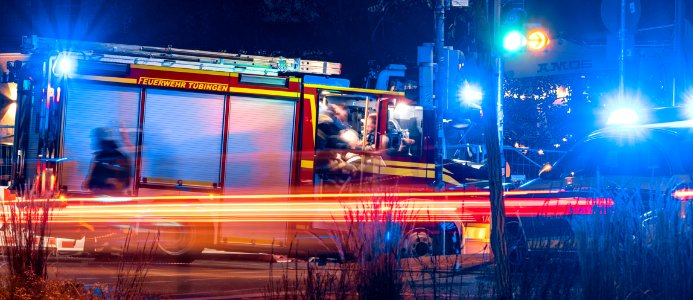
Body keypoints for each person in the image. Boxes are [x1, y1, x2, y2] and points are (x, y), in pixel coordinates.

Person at [84, 127, 132, 196]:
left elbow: (89, 184)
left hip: (106, 200)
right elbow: (126, 183)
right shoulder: (122, 157)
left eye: (94, 138)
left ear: (100, 139)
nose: (92, 142)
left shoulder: (100, 159)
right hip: (115, 199)